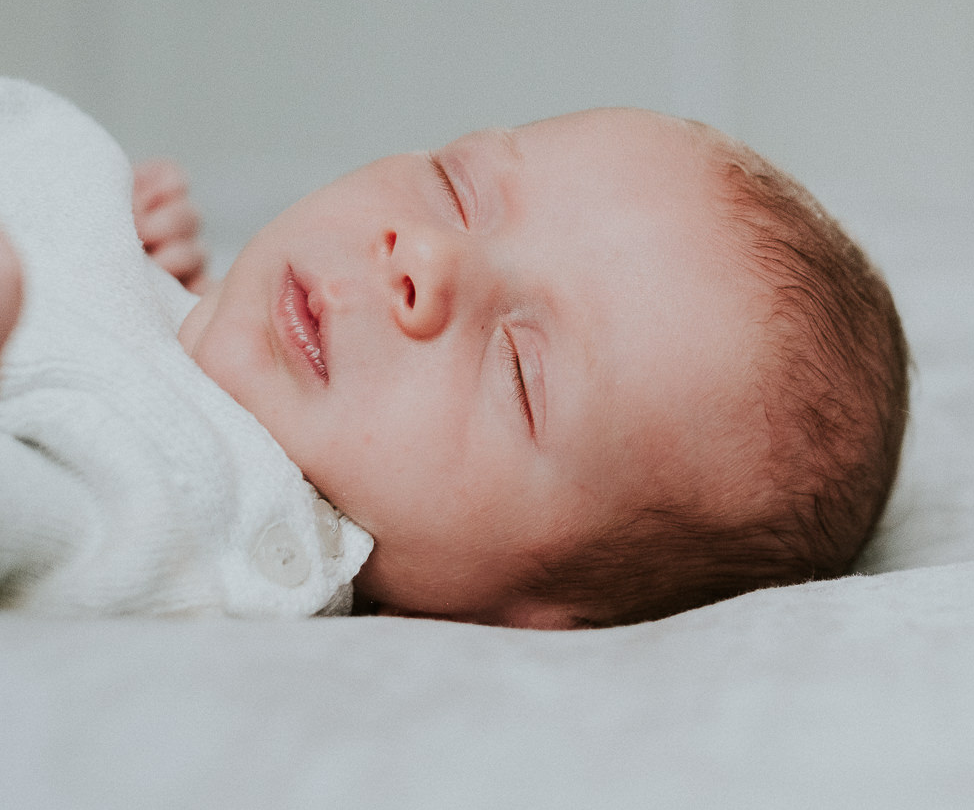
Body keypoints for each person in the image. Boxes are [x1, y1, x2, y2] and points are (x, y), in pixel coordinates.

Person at [0, 79, 908, 627]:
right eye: (456, 188)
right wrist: (159, 293)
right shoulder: (153, 282)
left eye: (516, 368)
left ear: (538, 617)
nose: (424, 258)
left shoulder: (178, 514)